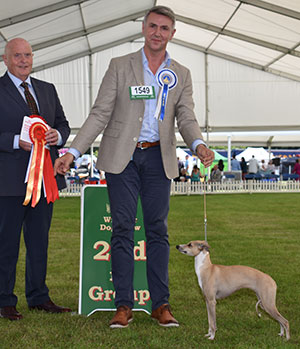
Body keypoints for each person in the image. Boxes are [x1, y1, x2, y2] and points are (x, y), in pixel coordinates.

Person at [54, 6, 214, 328]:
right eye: (153, 26)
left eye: (164, 28)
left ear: (172, 33)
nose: (158, 32)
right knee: (123, 230)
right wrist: (73, 150)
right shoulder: (119, 66)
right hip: (121, 159)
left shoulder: (181, 73)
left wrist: (198, 144)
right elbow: (100, 113)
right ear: (143, 29)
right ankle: (123, 305)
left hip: (159, 159)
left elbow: (186, 116)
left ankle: (160, 305)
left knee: (158, 231)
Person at [0, 38, 71, 321]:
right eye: (17, 55)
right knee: (6, 243)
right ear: (5, 59)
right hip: (8, 182)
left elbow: (63, 123)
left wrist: (58, 135)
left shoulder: (47, 89)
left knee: (39, 241)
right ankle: (4, 300)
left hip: (45, 181)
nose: (23, 60)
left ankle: (39, 296)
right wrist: (16, 141)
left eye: (28, 55)